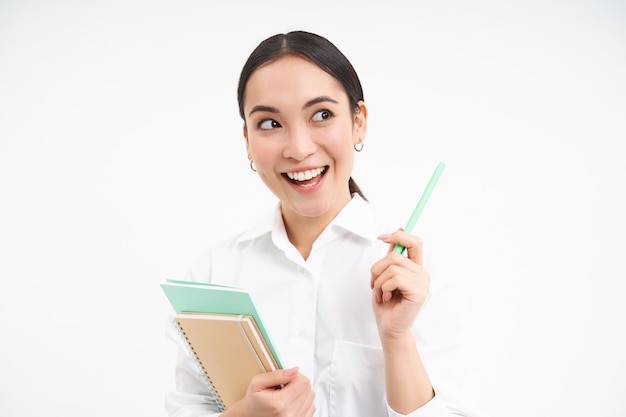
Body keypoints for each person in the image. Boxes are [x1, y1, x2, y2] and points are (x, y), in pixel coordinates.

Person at [165, 30, 482, 417]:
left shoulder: (423, 276)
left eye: (322, 115)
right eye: (269, 123)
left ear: (359, 122)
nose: (298, 148)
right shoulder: (212, 274)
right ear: (247, 140)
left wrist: (397, 339)